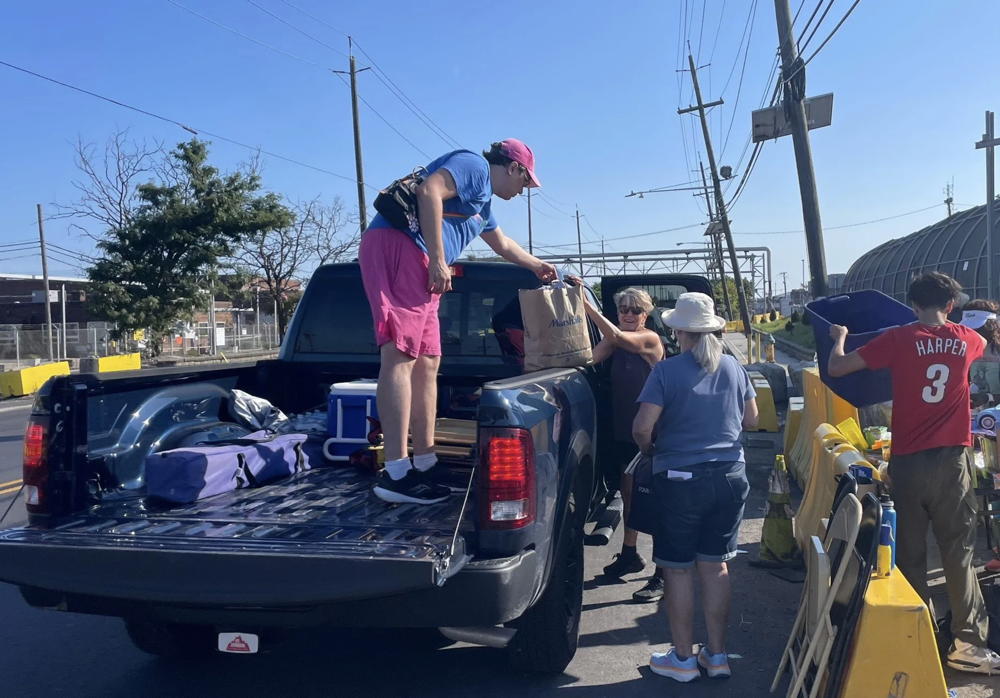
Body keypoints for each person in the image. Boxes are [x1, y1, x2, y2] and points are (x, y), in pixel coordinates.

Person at [360, 140, 557, 505]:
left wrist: (536, 265)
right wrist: (438, 258)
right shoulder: (475, 168)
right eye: (525, 182)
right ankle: (397, 472)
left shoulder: (483, 203)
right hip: (402, 246)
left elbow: (502, 244)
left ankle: (425, 461)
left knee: (428, 362)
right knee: (401, 356)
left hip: (421, 258)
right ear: (513, 167)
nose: (523, 191)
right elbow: (429, 190)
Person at [828, 271, 1000, 674]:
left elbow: (838, 368)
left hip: (906, 460)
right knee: (959, 551)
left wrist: (839, 335)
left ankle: (916, 636)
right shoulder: (967, 339)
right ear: (951, 305)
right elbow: (983, 345)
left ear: (912, 304)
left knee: (909, 552)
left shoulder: (898, 339)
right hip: (953, 460)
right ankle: (968, 644)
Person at [632, 292, 758, 682]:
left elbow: (641, 427)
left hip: (680, 479)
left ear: (679, 332)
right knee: (715, 564)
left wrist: (652, 448)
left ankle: (683, 659)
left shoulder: (666, 372)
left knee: (678, 570)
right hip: (730, 476)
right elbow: (752, 420)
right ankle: (717, 656)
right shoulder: (734, 368)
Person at [579, 286, 665, 601]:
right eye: (623, 309)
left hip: (651, 432)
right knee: (629, 495)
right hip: (623, 432)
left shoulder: (649, 339)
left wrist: (585, 304)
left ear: (646, 314)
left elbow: (616, 337)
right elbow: (588, 358)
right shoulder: (614, 342)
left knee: (654, 500)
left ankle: (663, 572)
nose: (628, 314)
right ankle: (630, 553)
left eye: (635, 310)